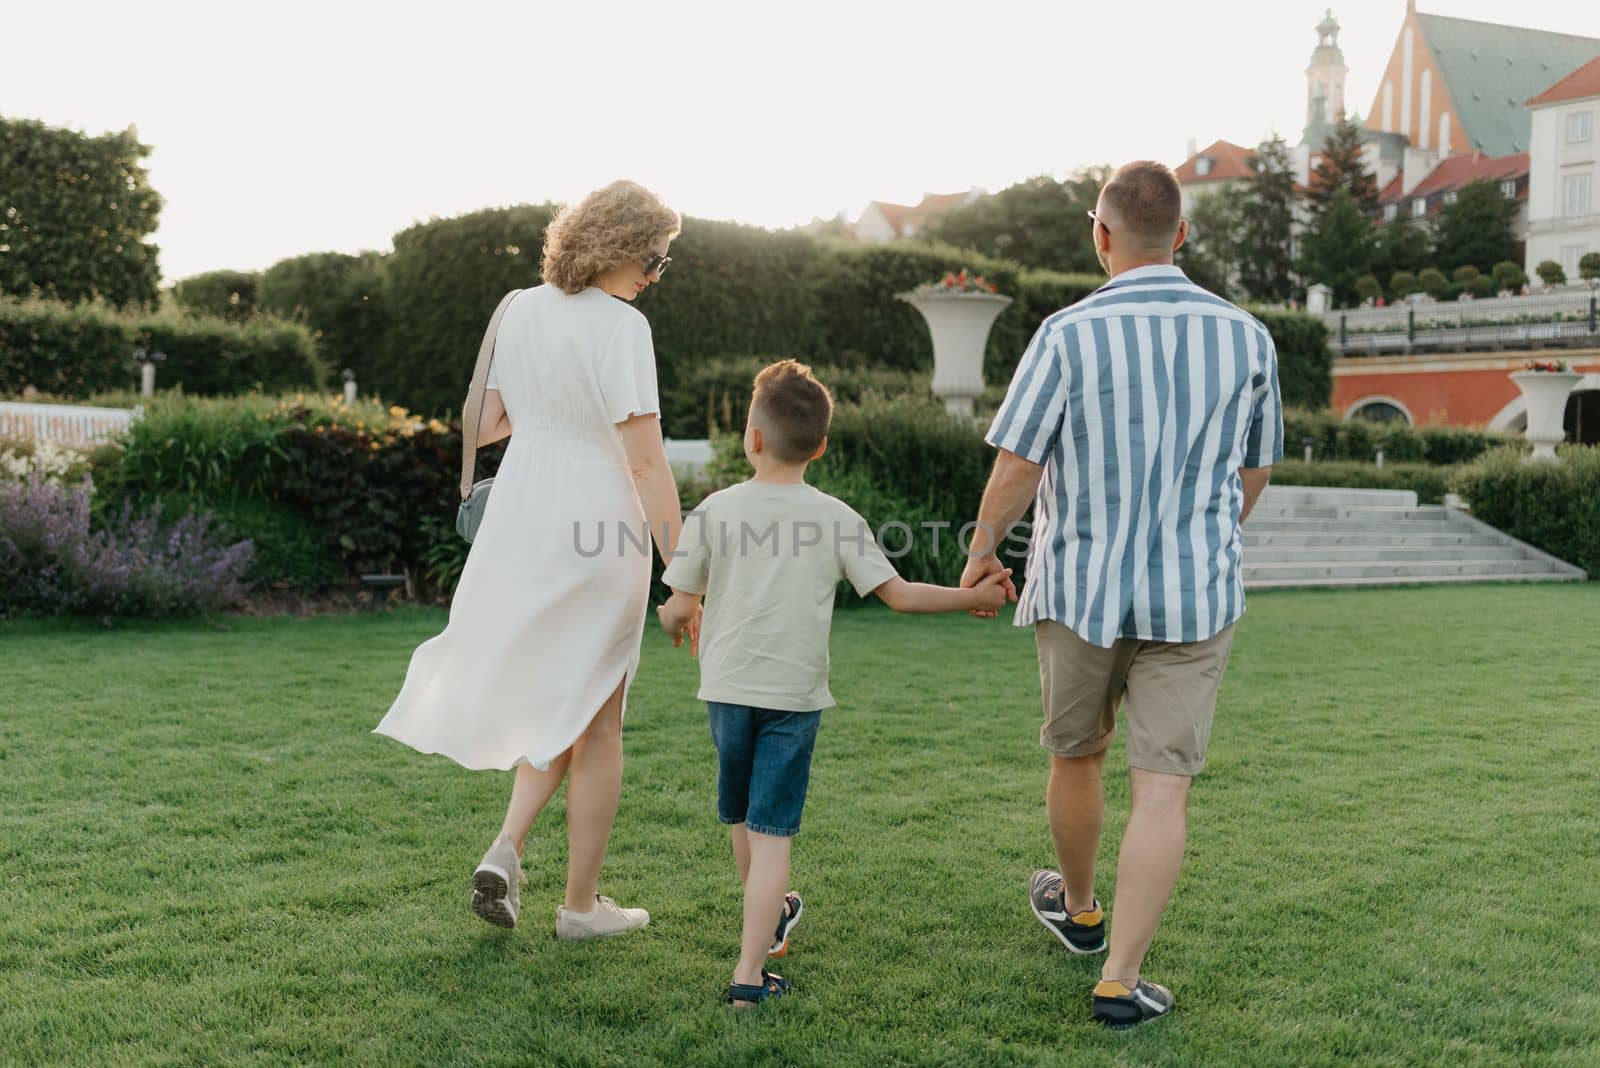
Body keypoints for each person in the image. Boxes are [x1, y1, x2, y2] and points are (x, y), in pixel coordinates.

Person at [960, 161, 1283, 1027]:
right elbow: (1252, 473)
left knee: (1076, 754)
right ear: (1181, 235)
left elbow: (1019, 463)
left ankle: (1079, 908)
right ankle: (1122, 979)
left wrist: (982, 551)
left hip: (1079, 589)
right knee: (1163, 787)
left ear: (1099, 234)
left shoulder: (1066, 333)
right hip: (1196, 595)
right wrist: (1205, 534)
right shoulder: (1249, 337)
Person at [375, 180, 696, 940]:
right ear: (619, 247)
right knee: (599, 719)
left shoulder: (517, 307)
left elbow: (486, 421)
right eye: (654, 258)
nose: (655, 275)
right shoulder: (622, 328)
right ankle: (581, 909)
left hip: (522, 515)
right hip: (597, 522)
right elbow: (647, 464)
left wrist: (549, 402)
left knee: (559, 694)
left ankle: (507, 847)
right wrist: (683, 571)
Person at [656, 359, 1011, 1007]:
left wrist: (676, 618)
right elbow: (899, 596)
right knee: (770, 837)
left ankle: (767, 929)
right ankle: (747, 973)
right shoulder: (836, 517)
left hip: (727, 691)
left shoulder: (714, 510)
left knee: (742, 818)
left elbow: (679, 605)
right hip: (792, 699)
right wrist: (972, 597)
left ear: (752, 438)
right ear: (820, 446)